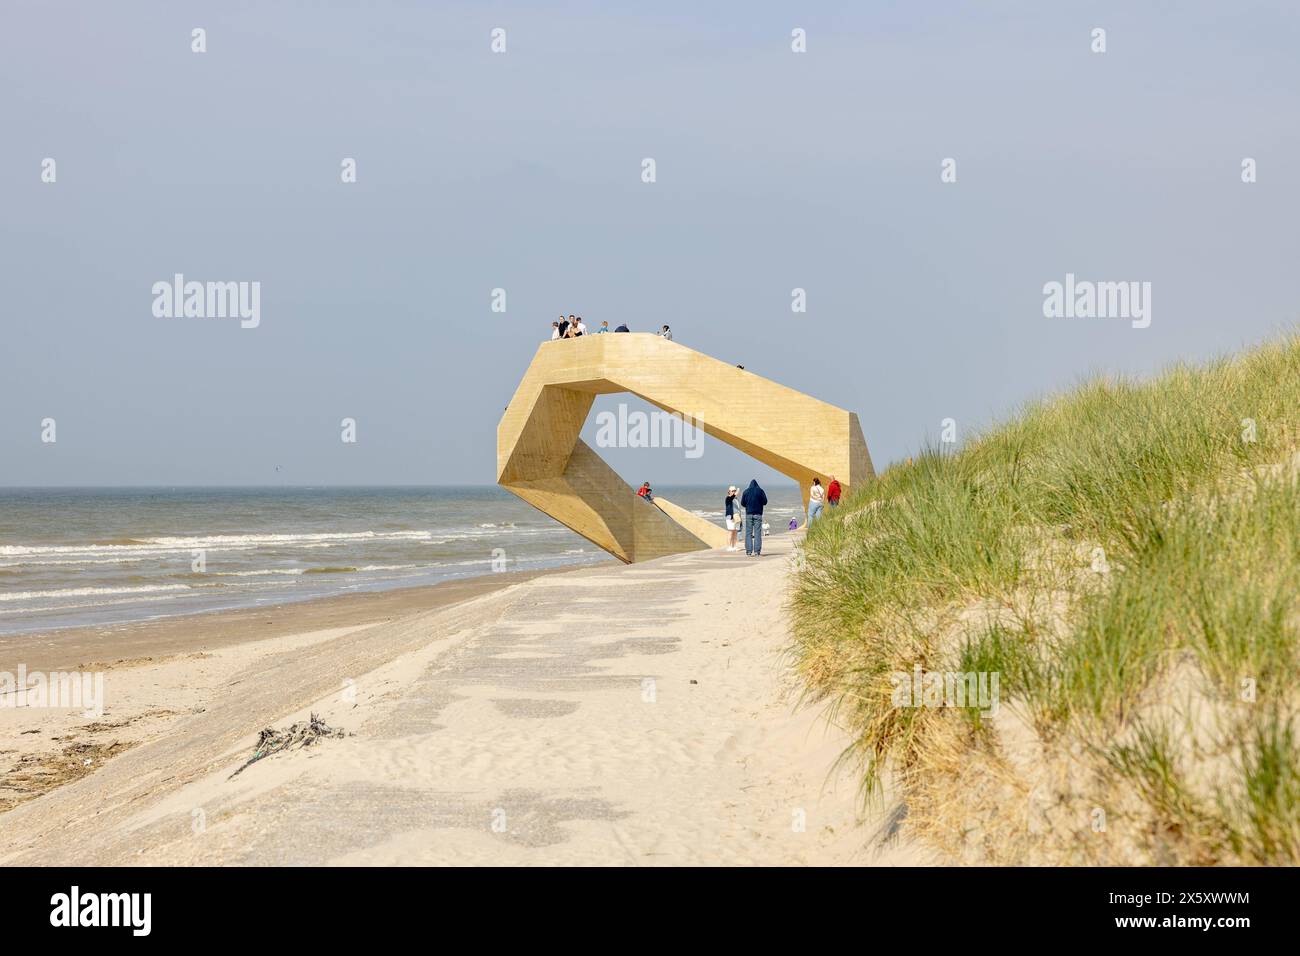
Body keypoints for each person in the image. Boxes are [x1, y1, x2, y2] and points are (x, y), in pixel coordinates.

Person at [740, 479, 767, 556]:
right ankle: (757, 551)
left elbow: (742, 503)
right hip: (758, 514)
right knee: (757, 533)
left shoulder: (746, 491)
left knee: (748, 533)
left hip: (749, 514)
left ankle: (748, 551)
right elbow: (765, 501)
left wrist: (748, 505)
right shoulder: (760, 491)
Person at [724, 485, 741, 551]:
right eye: (732, 491)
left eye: (734, 491)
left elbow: (738, 509)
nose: (734, 492)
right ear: (729, 492)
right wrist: (736, 493)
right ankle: (729, 547)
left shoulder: (736, 499)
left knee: (735, 532)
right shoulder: (728, 498)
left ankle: (734, 546)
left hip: (737, 517)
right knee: (730, 531)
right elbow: (731, 498)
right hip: (730, 517)